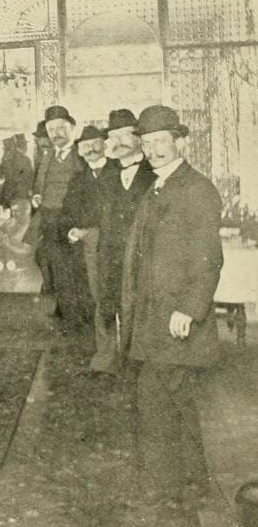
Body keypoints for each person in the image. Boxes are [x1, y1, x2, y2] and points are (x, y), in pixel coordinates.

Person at [121, 105, 223, 499]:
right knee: (175, 397)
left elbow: (208, 258)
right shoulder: (158, 186)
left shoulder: (196, 189)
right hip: (154, 314)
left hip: (175, 316)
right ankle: (195, 478)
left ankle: (161, 486)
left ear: (179, 141)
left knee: (155, 397)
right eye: (147, 143)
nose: (154, 150)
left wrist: (189, 308)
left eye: (161, 141)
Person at [90, 109, 156, 374]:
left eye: (123, 135)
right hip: (110, 253)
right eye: (112, 136)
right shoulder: (107, 174)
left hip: (143, 254)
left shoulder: (155, 173)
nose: (116, 142)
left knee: (139, 307)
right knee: (107, 305)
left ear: (139, 138)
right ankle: (107, 361)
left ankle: (139, 364)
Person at [32, 104, 86, 333]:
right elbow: (40, 182)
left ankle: (79, 316)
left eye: (61, 128)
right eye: (51, 129)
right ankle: (64, 310)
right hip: (49, 220)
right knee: (56, 268)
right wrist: (37, 195)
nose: (56, 133)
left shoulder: (80, 153)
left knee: (76, 268)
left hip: (72, 220)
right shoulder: (48, 155)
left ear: (71, 127)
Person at [58, 125, 110, 342]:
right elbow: (67, 213)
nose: (90, 149)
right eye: (85, 146)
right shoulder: (77, 179)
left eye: (95, 143)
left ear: (105, 145)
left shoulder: (118, 171)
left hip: (112, 245)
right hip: (86, 248)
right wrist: (70, 232)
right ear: (79, 150)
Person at [0, 134, 34, 212]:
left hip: (8, 195)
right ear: (24, 146)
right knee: (21, 219)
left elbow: (1, 170)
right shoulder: (26, 160)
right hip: (21, 195)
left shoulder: (8, 158)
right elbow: (31, 178)